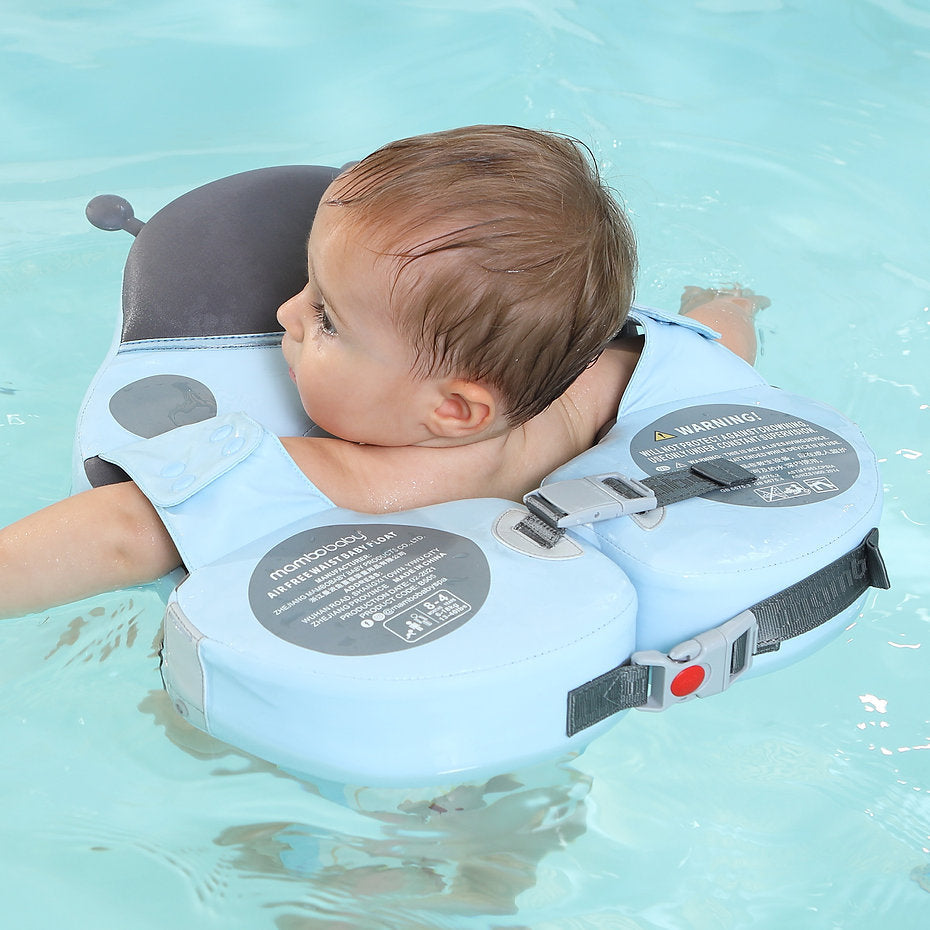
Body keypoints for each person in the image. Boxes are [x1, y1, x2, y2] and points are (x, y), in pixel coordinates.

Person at [0, 125, 766, 619]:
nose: (285, 313)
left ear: (454, 411)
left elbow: (124, 534)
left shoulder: (379, 478)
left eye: (327, 317)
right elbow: (713, 346)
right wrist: (733, 303)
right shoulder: (616, 380)